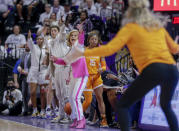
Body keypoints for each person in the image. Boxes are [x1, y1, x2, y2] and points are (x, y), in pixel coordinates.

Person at [73, 0, 179, 131]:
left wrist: (84, 51)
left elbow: (109, 49)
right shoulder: (157, 26)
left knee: (123, 105)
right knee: (166, 105)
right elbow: (175, 49)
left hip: (153, 69)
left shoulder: (130, 27)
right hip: (172, 70)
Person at [51, 30, 89, 129]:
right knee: (71, 98)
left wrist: (81, 31)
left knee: (76, 97)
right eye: (71, 35)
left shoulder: (79, 46)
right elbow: (64, 62)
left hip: (81, 76)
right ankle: (75, 118)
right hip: (73, 76)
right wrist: (56, 59)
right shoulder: (71, 49)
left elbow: (81, 39)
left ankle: (81, 119)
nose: (73, 36)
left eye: (75, 35)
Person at [82, 31, 108, 127]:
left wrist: (102, 69)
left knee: (100, 98)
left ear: (98, 41)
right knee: (87, 101)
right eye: (92, 39)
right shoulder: (84, 50)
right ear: (88, 40)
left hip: (97, 77)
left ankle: (103, 120)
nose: (94, 41)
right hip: (87, 77)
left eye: (95, 39)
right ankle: (78, 117)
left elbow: (104, 65)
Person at [27, 30, 49, 118]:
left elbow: (48, 43)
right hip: (33, 71)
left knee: (43, 92)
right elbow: (29, 41)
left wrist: (45, 36)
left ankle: (43, 110)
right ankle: (35, 110)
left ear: (43, 40)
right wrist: (29, 37)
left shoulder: (46, 49)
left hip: (43, 71)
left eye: (41, 39)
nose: (39, 40)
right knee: (32, 92)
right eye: (38, 39)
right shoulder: (33, 47)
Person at [18, 44, 31, 116]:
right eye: (25, 45)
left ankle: (30, 109)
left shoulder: (33, 54)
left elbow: (34, 66)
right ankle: (25, 109)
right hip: (23, 76)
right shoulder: (23, 54)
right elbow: (21, 64)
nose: (26, 46)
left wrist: (28, 72)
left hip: (30, 75)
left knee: (30, 93)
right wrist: (19, 67)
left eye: (28, 45)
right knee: (24, 92)